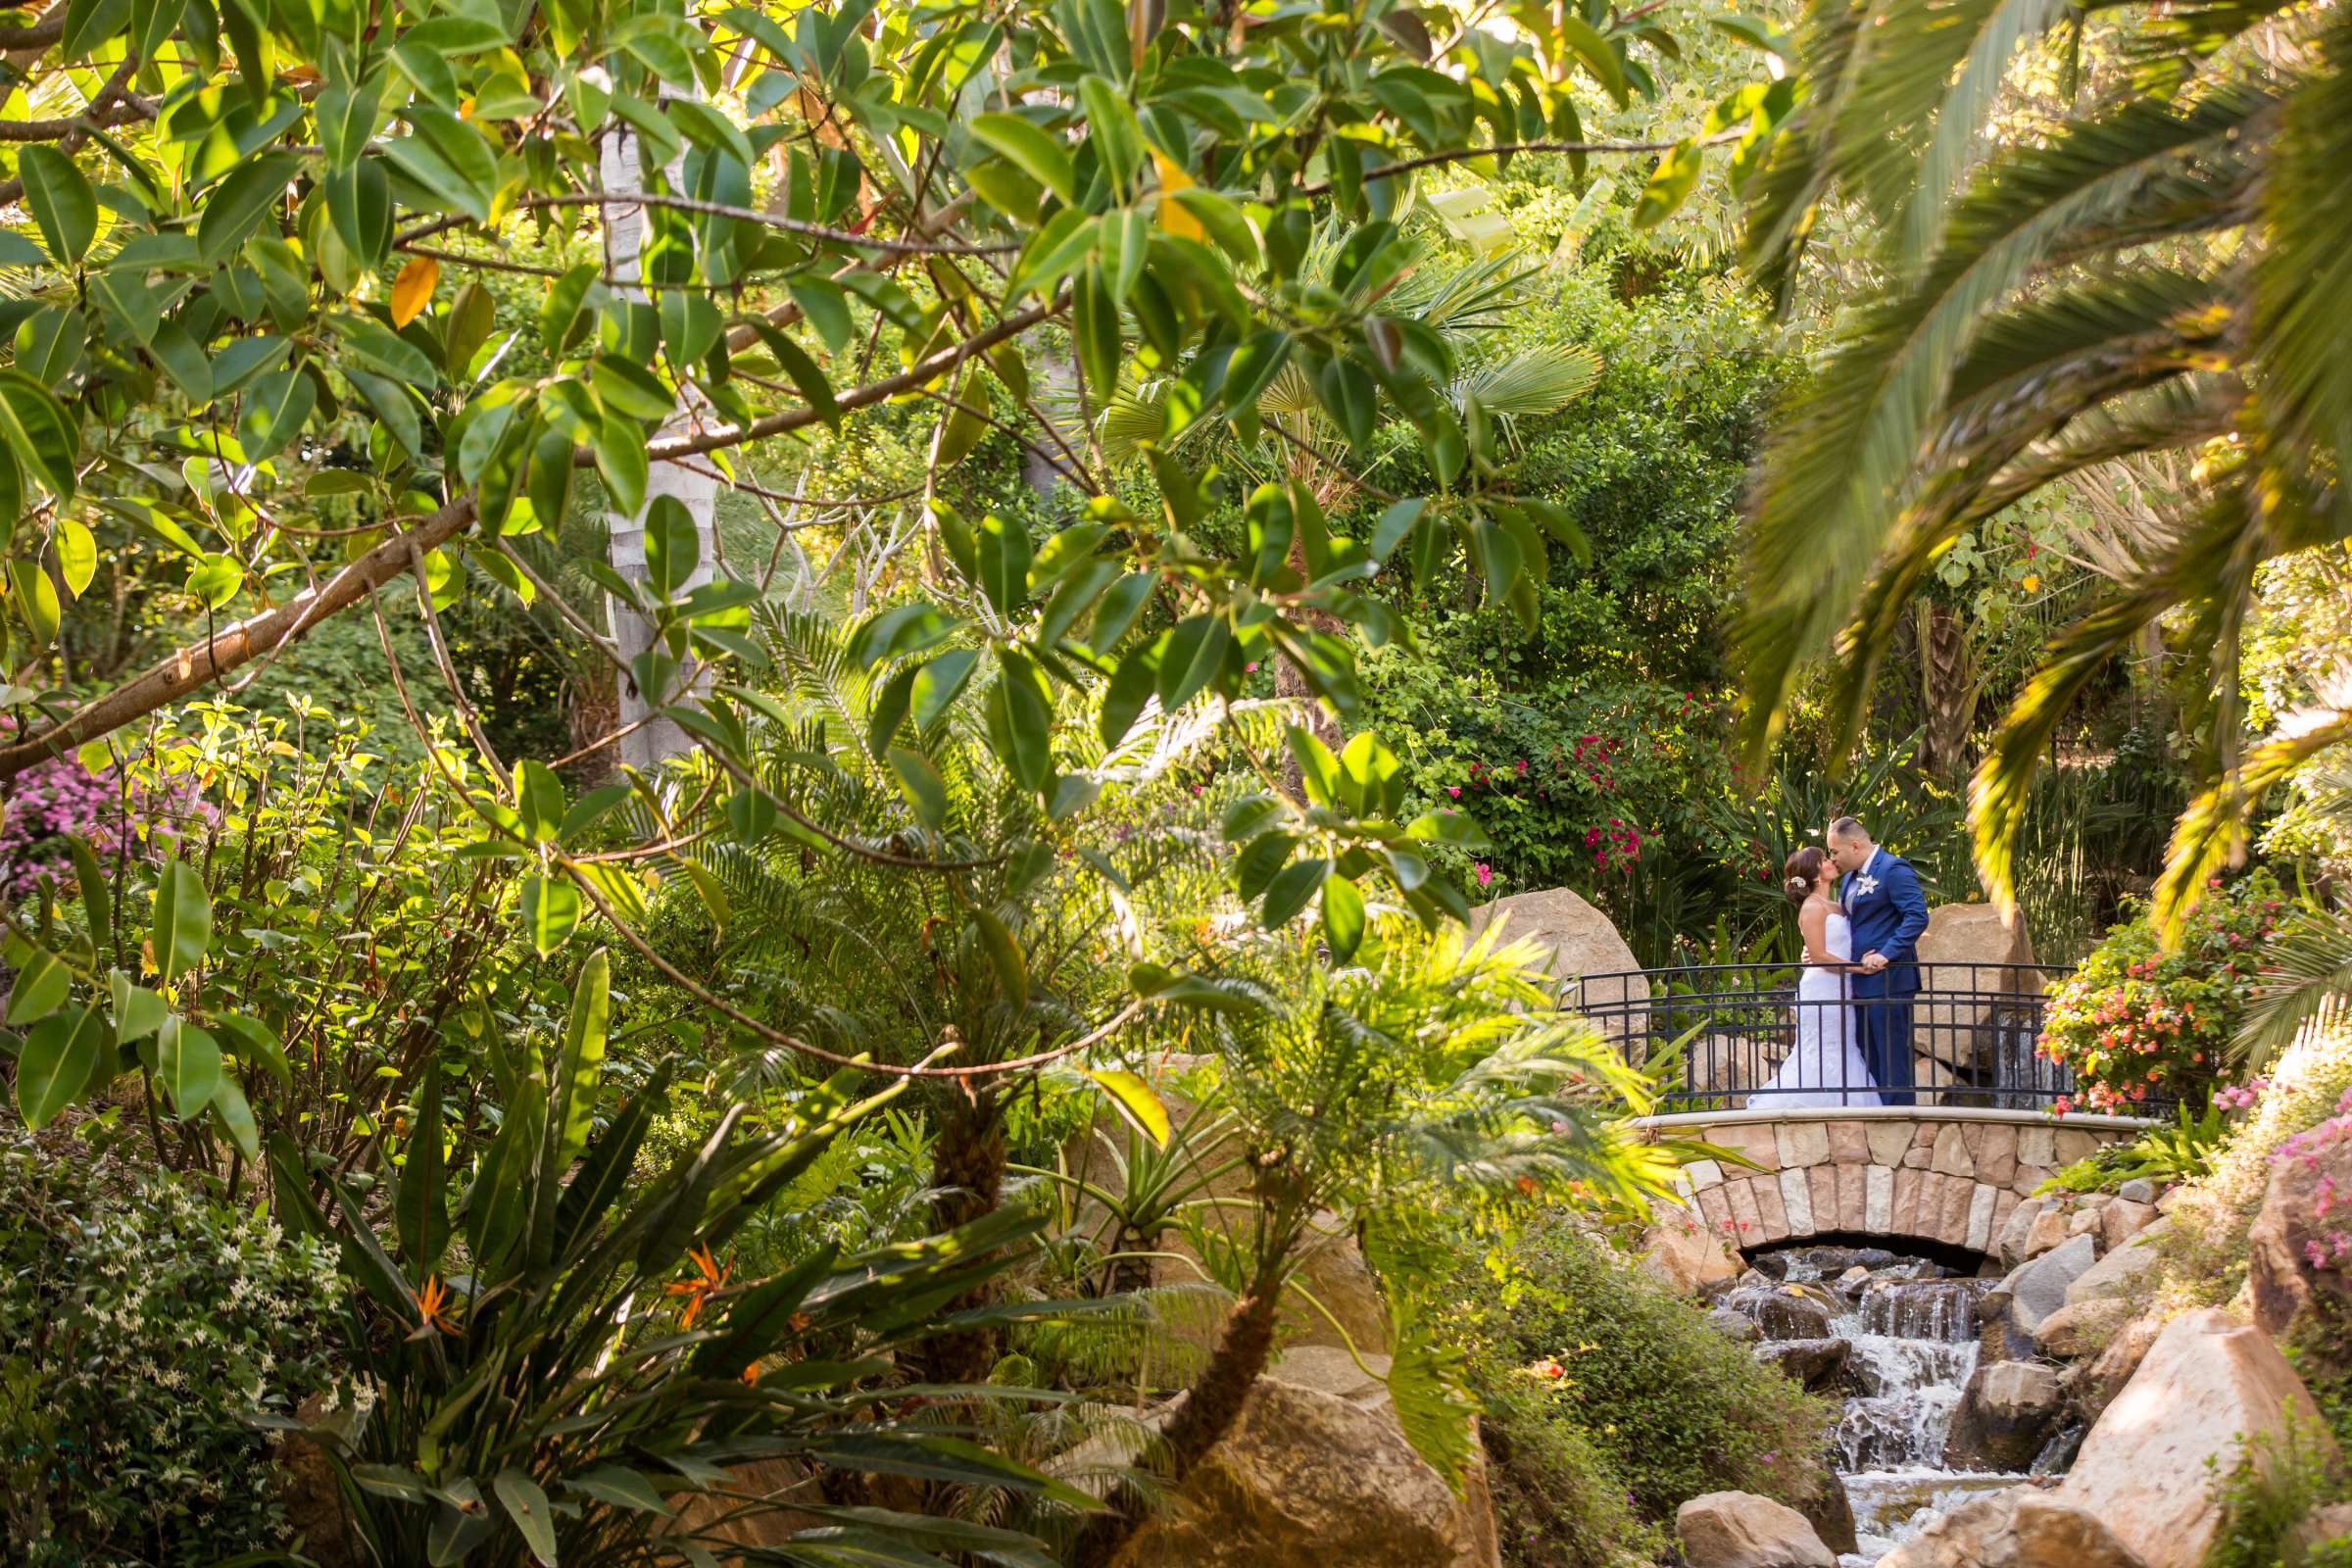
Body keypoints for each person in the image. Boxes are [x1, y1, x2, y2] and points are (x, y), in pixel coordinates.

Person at [1757, 846, 1880, 1107]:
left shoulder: (1836, 905)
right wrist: (1860, 967)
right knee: (1823, 1047)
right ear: (1815, 874)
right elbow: (1820, 955)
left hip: (1841, 985)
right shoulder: (1812, 907)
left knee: (1843, 1045)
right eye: (1824, 859)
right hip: (1822, 986)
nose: (1831, 861)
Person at [1829, 816, 1931, 1107]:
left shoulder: (1893, 869)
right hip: (1859, 980)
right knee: (1868, 1054)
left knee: (1892, 1054)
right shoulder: (1849, 878)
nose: (1832, 858)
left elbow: (1917, 916)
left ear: (1855, 845)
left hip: (1890, 979)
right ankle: (1875, 1114)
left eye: (1835, 852)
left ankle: (1899, 1118)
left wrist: (1886, 953)